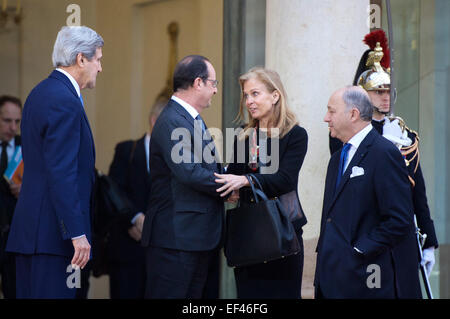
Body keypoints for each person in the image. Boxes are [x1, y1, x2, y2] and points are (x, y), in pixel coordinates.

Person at [5, 26, 103, 299]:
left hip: (33, 237)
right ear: (81, 59)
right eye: (98, 59)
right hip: (52, 240)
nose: (100, 68)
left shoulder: (41, 92)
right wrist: (77, 233)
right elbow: (63, 173)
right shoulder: (65, 100)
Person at [315, 86, 421, 298]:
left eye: (332, 111)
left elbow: (399, 219)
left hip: (367, 280)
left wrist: (357, 252)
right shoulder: (337, 159)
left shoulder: (383, 153)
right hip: (331, 279)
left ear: (353, 114)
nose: (326, 118)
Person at [214, 67, 308, 299]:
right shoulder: (242, 136)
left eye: (255, 94)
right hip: (248, 237)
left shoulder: (295, 135)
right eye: (246, 95)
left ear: (275, 96)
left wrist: (245, 180)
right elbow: (233, 176)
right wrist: (230, 189)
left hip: (283, 234)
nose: (249, 101)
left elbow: (284, 180)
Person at [352, 31, 438, 277]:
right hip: (367, 233)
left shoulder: (403, 134)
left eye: (389, 91)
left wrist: (429, 238)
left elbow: (417, 190)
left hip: (402, 234)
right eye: (379, 91)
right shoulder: (352, 133)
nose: (386, 97)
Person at [140, 55, 225, 299]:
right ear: (198, 83)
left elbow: (207, 167)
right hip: (175, 241)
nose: (216, 90)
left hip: (192, 238)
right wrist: (227, 185)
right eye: (213, 83)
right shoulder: (172, 120)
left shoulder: (190, 119)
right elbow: (189, 171)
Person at [106, 100, 165, 299]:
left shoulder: (176, 159)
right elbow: (113, 191)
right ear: (154, 121)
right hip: (128, 250)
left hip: (160, 257)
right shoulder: (126, 150)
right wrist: (135, 218)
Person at [0, 95, 22, 299]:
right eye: (7, 121)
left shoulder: (28, 147)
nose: (13, 127)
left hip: (15, 238)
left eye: (17, 122)